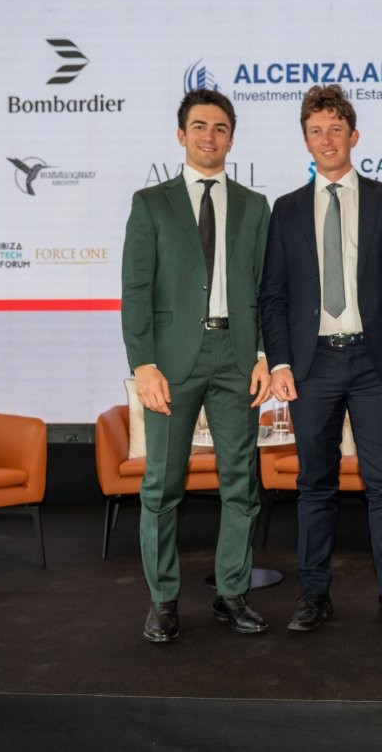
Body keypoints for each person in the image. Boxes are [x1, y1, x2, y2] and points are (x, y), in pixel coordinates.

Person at [259, 85, 382, 634]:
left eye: (335, 129)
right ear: (305, 141)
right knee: (315, 486)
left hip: (376, 365)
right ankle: (314, 595)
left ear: (354, 136)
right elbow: (273, 296)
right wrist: (280, 363)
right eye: (315, 131)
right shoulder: (285, 210)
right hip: (312, 367)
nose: (326, 139)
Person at [121, 88, 272, 643]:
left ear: (232, 138)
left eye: (221, 128)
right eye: (200, 126)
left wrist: (264, 356)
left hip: (237, 358)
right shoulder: (151, 204)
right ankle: (163, 601)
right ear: (181, 135)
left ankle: (232, 593)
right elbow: (135, 290)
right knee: (162, 486)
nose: (211, 136)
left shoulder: (255, 206)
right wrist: (143, 364)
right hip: (171, 365)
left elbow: (266, 289)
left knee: (242, 483)